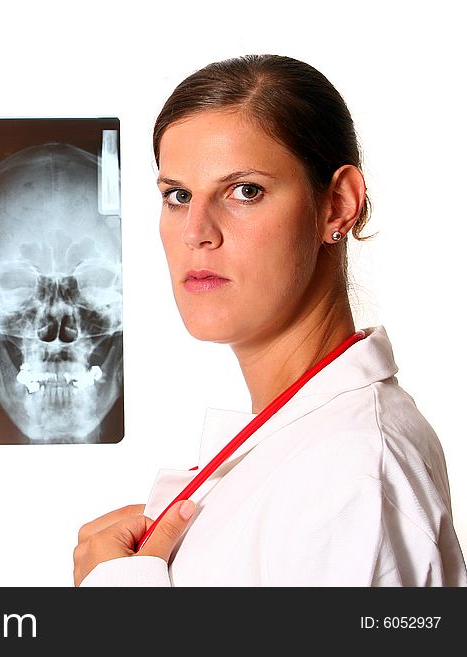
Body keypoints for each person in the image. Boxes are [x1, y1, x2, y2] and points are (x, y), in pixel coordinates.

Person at [73, 54, 467, 586]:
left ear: (337, 205)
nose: (196, 231)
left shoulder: (352, 473)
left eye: (245, 191)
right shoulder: (304, 444)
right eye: (178, 195)